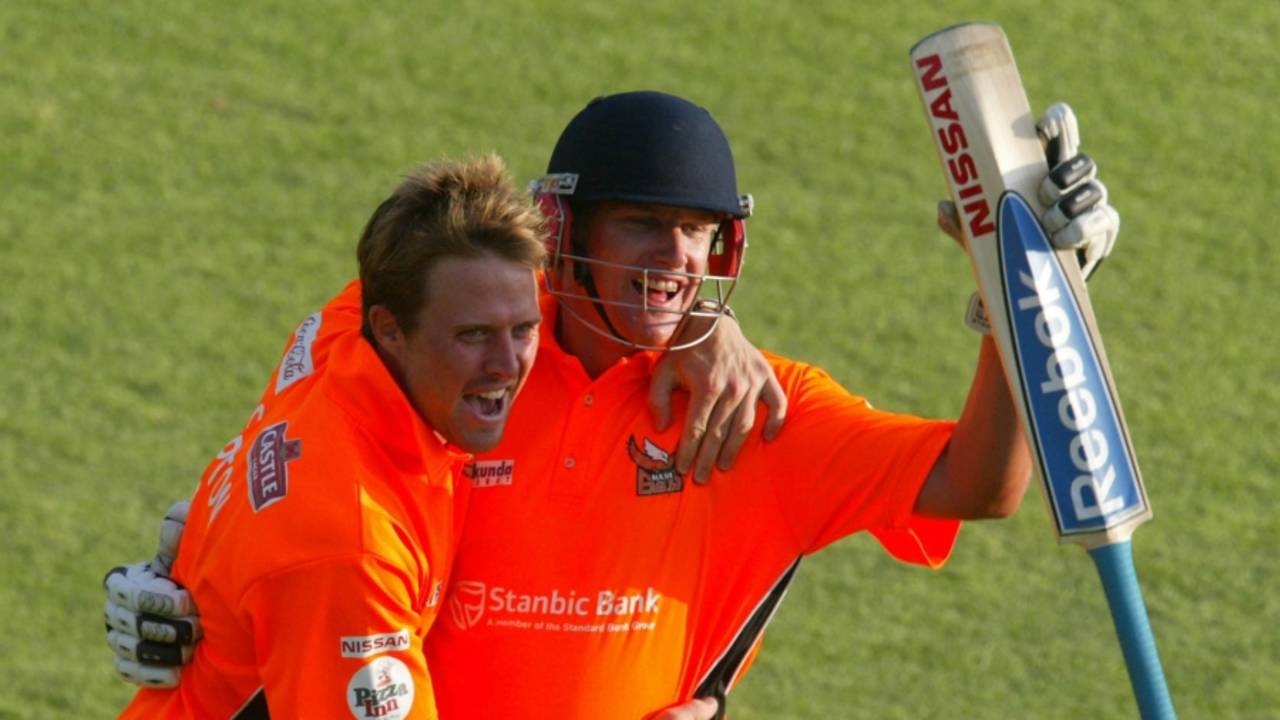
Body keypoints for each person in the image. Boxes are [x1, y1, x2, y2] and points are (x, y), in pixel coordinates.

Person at [105, 91, 1120, 719]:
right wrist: (197, 566)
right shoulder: (473, 361)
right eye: (642, 224)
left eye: (697, 233)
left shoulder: (754, 412)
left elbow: (976, 484)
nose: (675, 262)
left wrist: (1020, 302)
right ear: (564, 224)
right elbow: (304, 447)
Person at [111, 156, 550, 718]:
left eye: (525, 328)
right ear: (392, 330)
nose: (508, 364)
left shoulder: (341, 337)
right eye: (475, 335)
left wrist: (700, 318)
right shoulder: (354, 554)